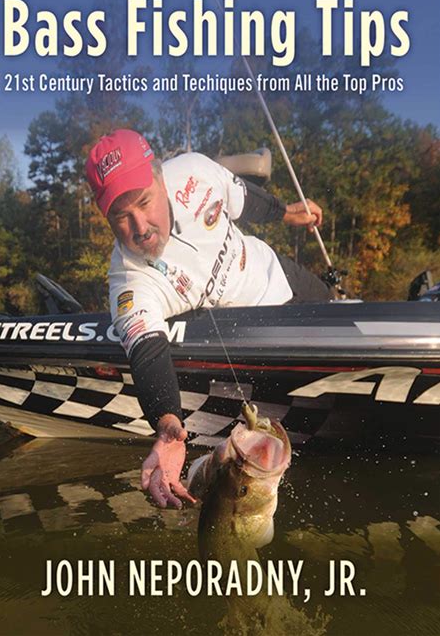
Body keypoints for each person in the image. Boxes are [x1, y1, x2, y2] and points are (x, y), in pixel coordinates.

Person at [85, 129, 330, 509]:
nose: (140, 227)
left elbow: (243, 198)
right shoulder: (129, 280)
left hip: (277, 274)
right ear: (107, 218)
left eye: (145, 202)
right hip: (250, 334)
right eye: (121, 216)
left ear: (160, 177)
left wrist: (287, 212)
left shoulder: (194, 172)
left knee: (337, 306)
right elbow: (147, 351)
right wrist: (168, 427)